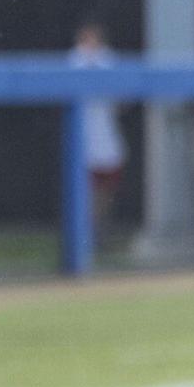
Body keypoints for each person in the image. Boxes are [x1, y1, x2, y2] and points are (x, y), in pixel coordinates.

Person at [69, 21, 127, 239]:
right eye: (87, 39)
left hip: (107, 137)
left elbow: (122, 101)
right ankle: (83, 234)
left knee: (106, 190)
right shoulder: (74, 61)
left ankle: (99, 232)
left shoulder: (108, 61)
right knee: (83, 191)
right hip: (82, 140)